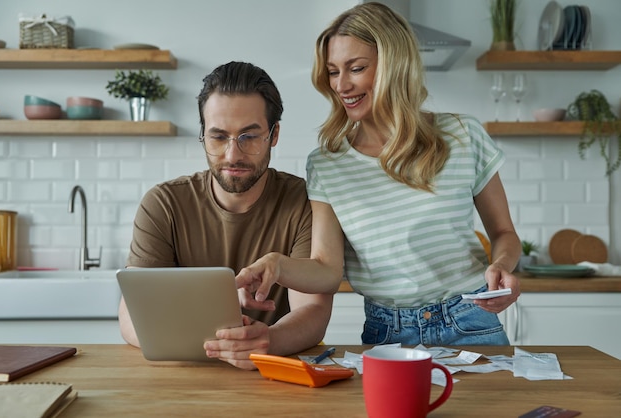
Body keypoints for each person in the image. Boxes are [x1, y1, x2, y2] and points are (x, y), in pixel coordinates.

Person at [237, 2, 521, 347]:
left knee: (495, 405)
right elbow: (327, 269)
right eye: (332, 72)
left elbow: (504, 232)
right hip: (389, 333)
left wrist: (503, 266)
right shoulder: (328, 163)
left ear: (394, 65)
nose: (341, 85)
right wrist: (276, 265)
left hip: (471, 320)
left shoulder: (462, 135)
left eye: (355, 68)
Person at [118, 61, 333, 370]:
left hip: (274, 375)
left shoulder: (304, 202)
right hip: (183, 374)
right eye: (218, 137)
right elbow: (132, 314)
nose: (233, 155)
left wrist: (267, 342)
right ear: (202, 135)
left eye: (249, 137)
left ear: (273, 135)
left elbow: (313, 310)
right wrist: (218, 346)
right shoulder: (163, 204)